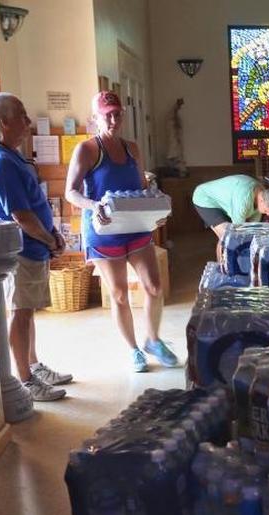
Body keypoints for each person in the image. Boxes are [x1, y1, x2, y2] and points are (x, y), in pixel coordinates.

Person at [65, 91, 179, 372]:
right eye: (107, 115)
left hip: (136, 228)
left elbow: (141, 187)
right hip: (105, 232)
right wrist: (94, 205)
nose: (114, 119)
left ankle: (153, 339)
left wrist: (156, 211)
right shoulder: (88, 150)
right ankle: (133, 350)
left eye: (118, 114)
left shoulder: (132, 148)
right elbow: (71, 192)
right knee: (118, 294)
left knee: (154, 286)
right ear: (96, 118)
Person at [0, 92, 72, 402]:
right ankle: (24, 379)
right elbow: (20, 215)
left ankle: (33, 365)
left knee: (28, 311)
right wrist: (50, 239)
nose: (28, 122)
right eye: (21, 115)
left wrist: (51, 236)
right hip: (20, 250)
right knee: (20, 312)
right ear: (4, 122)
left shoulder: (13, 155)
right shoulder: (1, 162)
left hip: (33, 247)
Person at [191, 174, 269, 263]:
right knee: (226, 236)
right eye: (267, 210)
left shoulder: (262, 193)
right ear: (261, 201)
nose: (267, 214)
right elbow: (237, 233)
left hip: (227, 200)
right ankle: (223, 269)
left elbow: (252, 228)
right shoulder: (243, 201)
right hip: (205, 198)